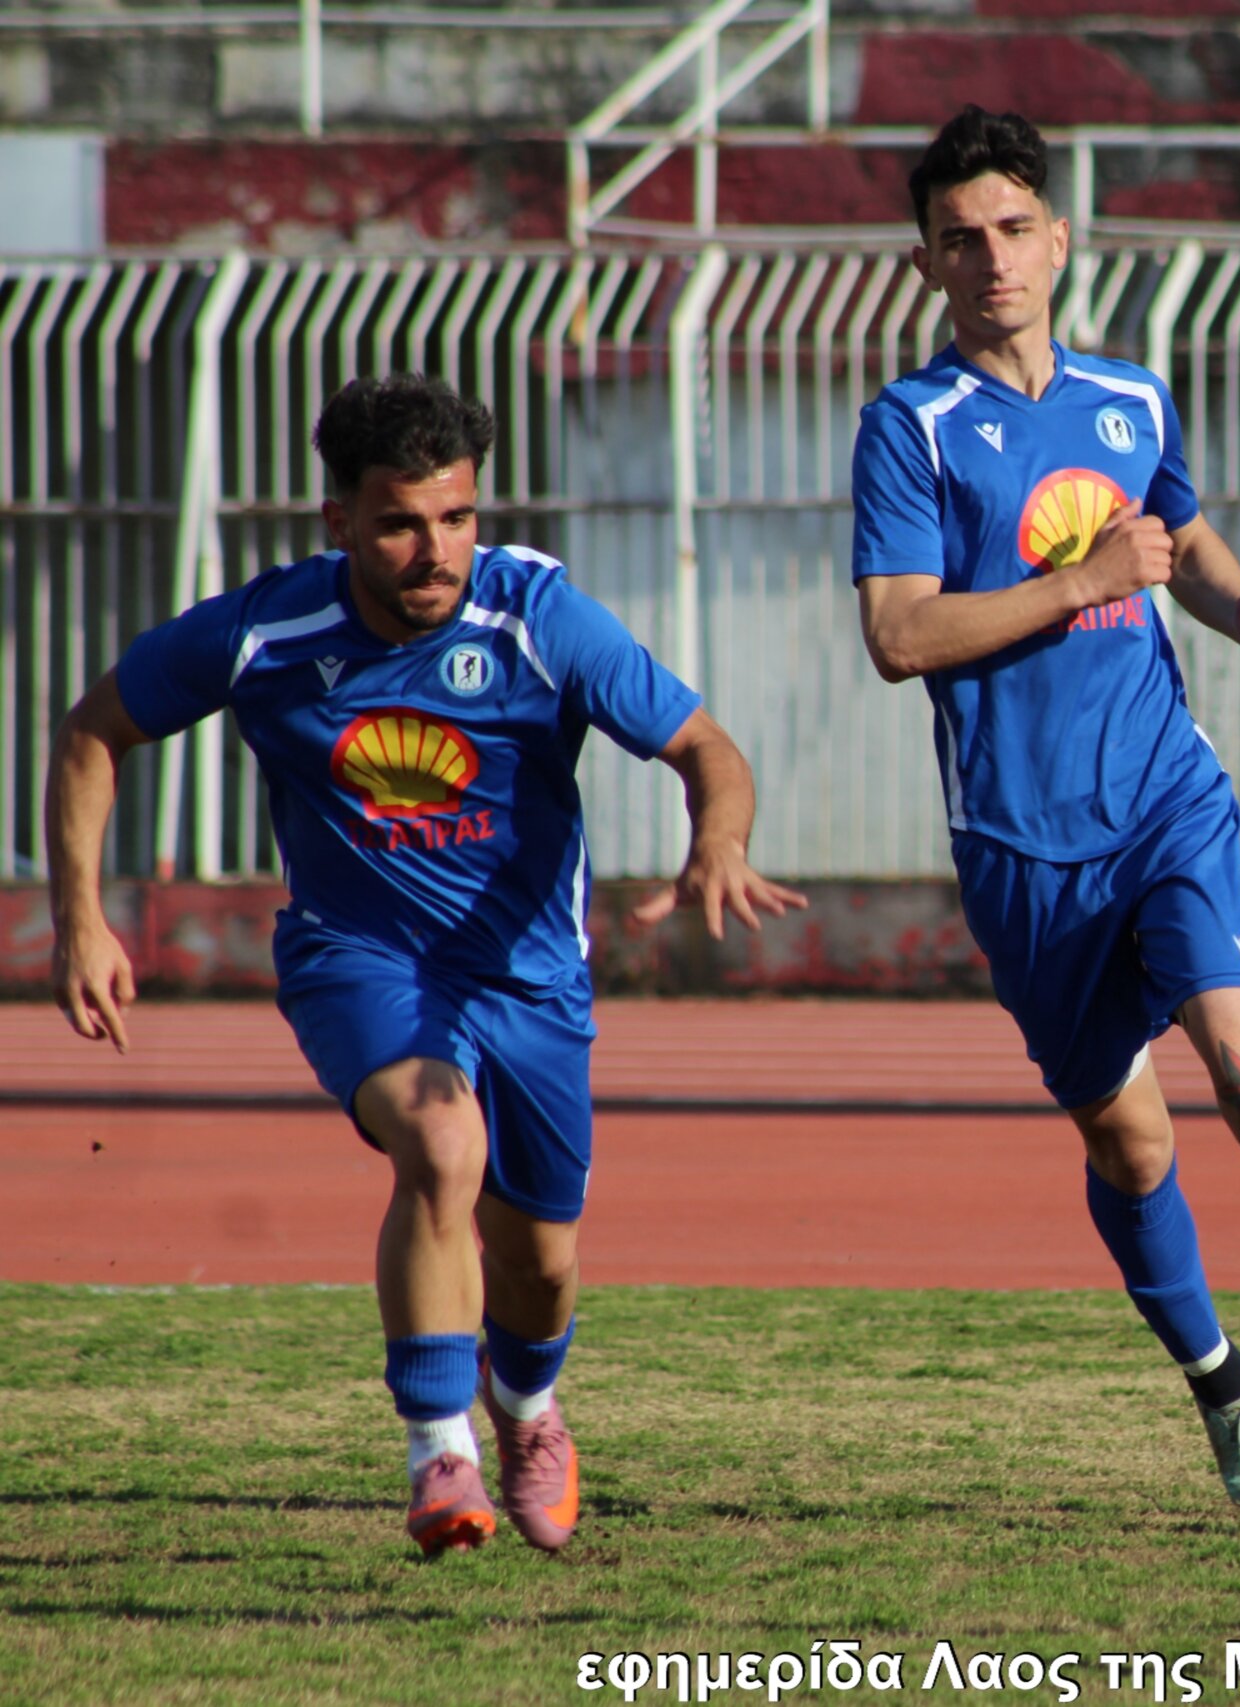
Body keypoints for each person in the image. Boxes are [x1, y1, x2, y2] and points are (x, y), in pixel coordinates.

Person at [45, 373, 807, 1559]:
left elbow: (704, 746)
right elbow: (93, 731)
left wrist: (720, 840)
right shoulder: (264, 634)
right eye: (401, 523)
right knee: (442, 1144)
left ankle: (527, 1407)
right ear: (339, 519)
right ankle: (438, 1449)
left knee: (540, 1266)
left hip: (529, 978)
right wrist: (82, 921)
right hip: (360, 960)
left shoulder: (538, 619)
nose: (435, 550)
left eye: (456, 517)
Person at [850, 105, 1240, 1524]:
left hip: (1164, 802)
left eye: (1014, 228)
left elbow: (1173, 534)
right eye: (960, 239)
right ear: (926, 262)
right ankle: (1227, 1392)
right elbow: (898, 635)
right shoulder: (909, 427)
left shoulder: (1130, 395)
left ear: (1060, 239)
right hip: (1023, 847)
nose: (993, 259)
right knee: (1131, 1146)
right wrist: (1080, 580)